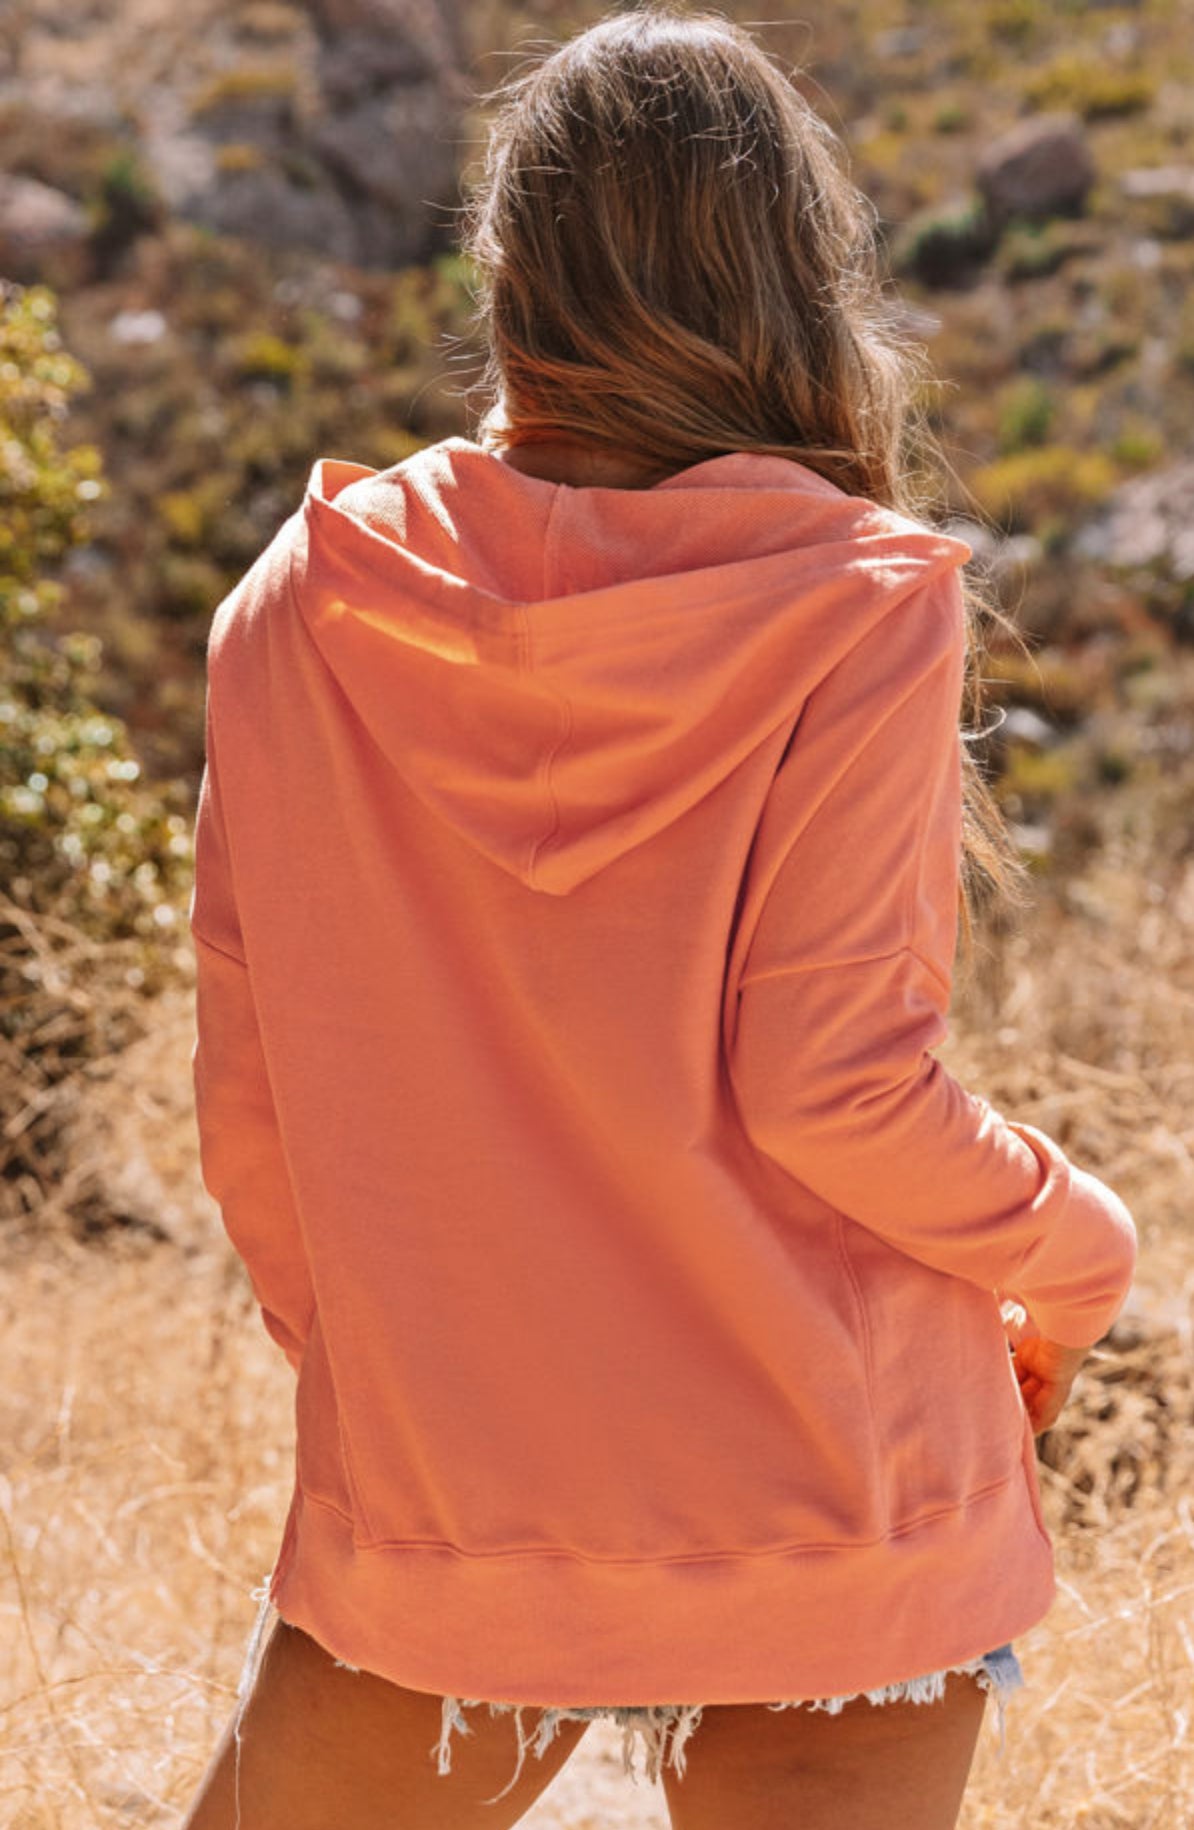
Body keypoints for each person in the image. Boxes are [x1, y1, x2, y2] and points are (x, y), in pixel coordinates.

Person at [180, 5, 1138, 1827]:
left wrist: (428, 1386)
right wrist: (1077, 1250)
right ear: (799, 270)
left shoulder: (298, 607)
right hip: (830, 1496)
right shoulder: (856, 606)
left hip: (454, 1486)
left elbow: (258, 1121)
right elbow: (828, 1087)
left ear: (507, 274)